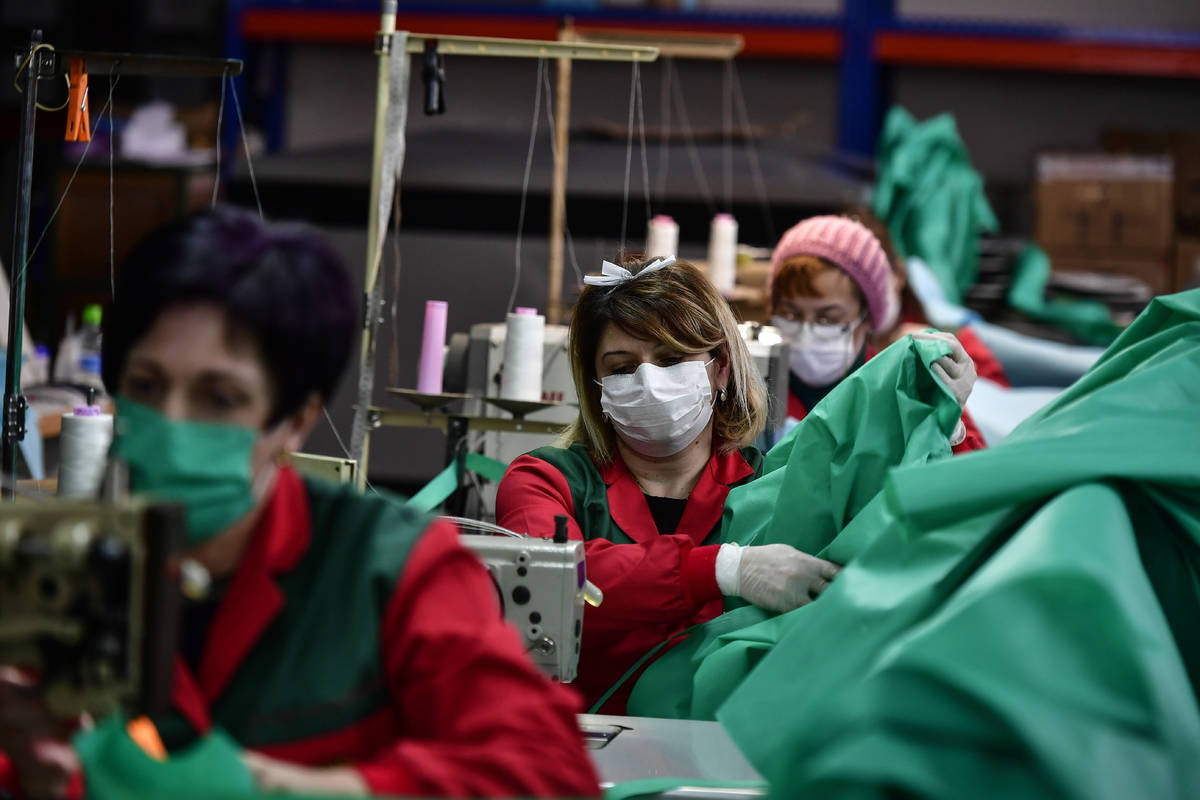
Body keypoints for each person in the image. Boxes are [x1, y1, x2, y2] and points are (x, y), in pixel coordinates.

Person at [0, 207, 600, 799]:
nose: (173, 422)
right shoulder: (61, 565)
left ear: (296, 421)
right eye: (147, 387)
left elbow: (551, 775)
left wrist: (282, 790)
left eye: (219, 398)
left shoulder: (387, 567)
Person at [496, 256, 842, 714]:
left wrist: (949, 424)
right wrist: (723, 570)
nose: (649, 382)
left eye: (672, 359)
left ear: (720, 368)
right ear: (597, 386)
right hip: (576, 757)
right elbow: (549, 592)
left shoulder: (771, 488)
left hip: (720, 762)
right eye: (621, 368)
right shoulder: (544, 482)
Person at [768, 214, 985, 451]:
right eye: (790, 315)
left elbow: (975, 474)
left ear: (867, 317)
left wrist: (948, 427)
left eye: (827, 318)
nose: (805, 330)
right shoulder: (755, 390)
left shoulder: (903, 388)